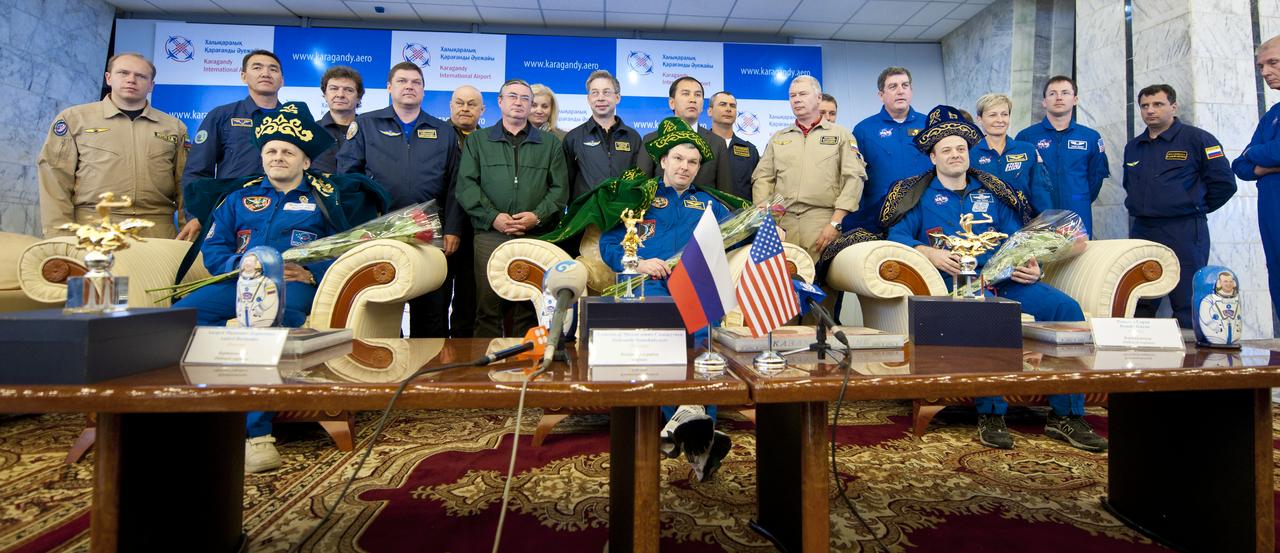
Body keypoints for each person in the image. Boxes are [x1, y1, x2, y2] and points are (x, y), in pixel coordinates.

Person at [175, 101, 390, 473]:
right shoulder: (237, 199)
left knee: (262, 327)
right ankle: (197, 416)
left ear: (305, 161)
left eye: (288, 151)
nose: (278, 157)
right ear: (261, 158)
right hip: (237, 284)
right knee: (179, 319)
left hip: (292, 288)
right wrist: (238, 266)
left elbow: (344, 251)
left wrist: (311, 273)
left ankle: (257, 437)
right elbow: (214, 248)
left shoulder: (326, 200)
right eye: (271, 151)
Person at [883, 105, 1106, 453]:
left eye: (960, 149)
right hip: (959, 285)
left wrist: (1033, 266)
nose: (955, 155)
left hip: (1006, 277)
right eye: (946, 150)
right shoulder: (917, 195)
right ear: (933, 157)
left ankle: (1067, 415)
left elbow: (1019, 239)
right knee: (988, 313)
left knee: (1066, 307)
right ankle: (991, 413)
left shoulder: (994, 191)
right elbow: (896, 239)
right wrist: (931, 254)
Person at [599, 117, 735, 481]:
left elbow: (738, 230)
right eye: (678, 159)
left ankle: (690, 428)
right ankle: (693, 429)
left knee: (707, 337)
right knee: (663, 334)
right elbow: (608, 245)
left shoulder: (708, 204)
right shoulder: (640, 197)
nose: (684, 168)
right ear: (663, 161)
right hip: (650, 286)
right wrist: (639, 261)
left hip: (695, 288)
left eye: (692, 163)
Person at [336, 62, 461, 338]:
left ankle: (428, 375)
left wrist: (453, 228)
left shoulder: (443, 132)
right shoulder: (366, 125)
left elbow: (455, 185)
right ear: (389, 87)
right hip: (379, 232)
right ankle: (381, 371)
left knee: (431, 310)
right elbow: (347, 179)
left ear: (423, 90)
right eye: (402, 81)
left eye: (416, 82)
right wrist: (361, 226)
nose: (409, 86)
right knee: (381, 306)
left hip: (429, 233)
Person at [37, 52, 197, 240]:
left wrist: (190, 235)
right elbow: (55, 179)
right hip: (94, 228)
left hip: (157, 231)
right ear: (108, 78)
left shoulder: (174, 127)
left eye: (141, 76)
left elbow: (185, 184)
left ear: (151, 85)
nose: (131, 80)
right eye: (123, 73)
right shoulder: (75, 119)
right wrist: (59, 236)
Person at [455, 79, 569, 338]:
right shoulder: (479, 141)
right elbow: (466, 186)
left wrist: (537, 216)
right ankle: (486, 371)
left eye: (524, 98)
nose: (518, 102)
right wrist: (493, 217)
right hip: (489, 235)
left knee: (527, 307)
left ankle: (524, 365)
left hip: (534, 234)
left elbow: (560, 190)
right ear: (500, 101)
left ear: (531, 105)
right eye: (512, 97)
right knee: (487, 306)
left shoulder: (550, 144)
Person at [1124, 84, 1235, 329]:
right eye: (1145, 106)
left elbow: (1224, 184)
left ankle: (1191, 362)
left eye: (1158, 104)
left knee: (1187, 298)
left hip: (1184, 229)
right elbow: (1129, 185)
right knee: (1139, 297)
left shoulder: (1197, 139)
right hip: (1143, 231)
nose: (1150, 111)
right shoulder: (1134, 146)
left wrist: (1193, 206)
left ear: (1173, 107)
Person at [751, 75, 866, 261]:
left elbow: (854, 178)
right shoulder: (778, 138)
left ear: (818, 98)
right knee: (784, 285)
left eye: (802, 94)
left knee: (822, 285)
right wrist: (769, 221)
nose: (796, 99)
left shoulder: (841, 135)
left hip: (822, 222)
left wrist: (836, 223)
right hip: (783, 223)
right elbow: (762, 178)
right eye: (792, 95)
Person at [838, 67, 932, 242]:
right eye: (893, 86)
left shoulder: (929, 125)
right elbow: (856, 177)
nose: (900, 91)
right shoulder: (864, 130)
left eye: (905, 85)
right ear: (881, 95)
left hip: (925, 213)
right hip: (881, 217)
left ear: (911, 90)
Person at [1014, 75, 1110, 236]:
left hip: (1078, 213)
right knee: (1042, 261)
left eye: (1065, 93)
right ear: (1044, 102)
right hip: (1039, 217)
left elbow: (1095, 178)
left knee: (1079, 260)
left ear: (1075, 99)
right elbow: (1020, 179)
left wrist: (1078, 196)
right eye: (1052, 94)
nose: (1058, 97)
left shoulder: (1091, 137)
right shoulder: (1026, 137)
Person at [182, 50, 284, 194]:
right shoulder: (221, 116)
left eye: (273, 69)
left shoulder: (295, 119)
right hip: (232, 210)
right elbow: (197, 172)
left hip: (283, 210)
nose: (265, 73)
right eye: (257, 68)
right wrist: (194, 214)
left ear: (282, 80)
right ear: (243, 76)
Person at [1235, 35, 1280, 328]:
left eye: (1272, 62)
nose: (1264, 72)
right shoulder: (1273, 115)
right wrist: (1264, 164)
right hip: (1272, 216)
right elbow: (1241, 165)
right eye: (1261, 66)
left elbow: (1273, 151)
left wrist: (1257, 155)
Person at [637, 76, 733, 193]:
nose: (692, 99)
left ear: (702, 105)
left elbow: (725, 193)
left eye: (697, 95)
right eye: (686, 94)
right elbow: (641, 189)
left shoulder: (717, 143)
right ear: (672, 103)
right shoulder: (652, 140)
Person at [443, 85, 486, 338]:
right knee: (437, 298)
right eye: (459, 103)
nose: (465, 108)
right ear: (450, 106)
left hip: (479, 230)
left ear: (482, 109)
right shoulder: (438, 134)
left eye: (472, 104)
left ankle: (464, 359)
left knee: (469, 300)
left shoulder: (490, 139)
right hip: (445, 227)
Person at [563, 70, 643, 200]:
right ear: (588, 99)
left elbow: (639, 181)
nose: (600, 98)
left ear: (617, 98)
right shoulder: (573, 138)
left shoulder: (633, 137)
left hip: (623, 215)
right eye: (595, 93)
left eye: (606, 92)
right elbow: (565, 185)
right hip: (586, 216)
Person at [971, 93, 1054, 214]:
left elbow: (1040, 192)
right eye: (992, 115)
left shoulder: (1027, 150)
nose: (1000, 120)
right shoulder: (970, 155)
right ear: (979, 119)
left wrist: (1046, 224)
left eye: (1004, 114)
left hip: (1021, 227)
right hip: (984, 227)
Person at [707, 90, 760, 200]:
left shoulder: (750, 150)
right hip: (705, 213)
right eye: (722, 104)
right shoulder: (698, 145)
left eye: (732, 106)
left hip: (740, 214)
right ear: (710, 111)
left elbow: (758, 186)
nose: (728, 109)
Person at [311, 66, 364, 174]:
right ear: (325, 95)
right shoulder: (312, 131)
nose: (340, 95)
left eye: (348, 90)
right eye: (334, 88)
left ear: (358, 97)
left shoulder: (369, 131)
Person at [1198, 271, 1242, 345]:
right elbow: (1204, 315)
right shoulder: (1209, 300)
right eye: (1225, 281)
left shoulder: (1236, 299)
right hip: (1215, 335)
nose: (1229, 284)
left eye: (1231, 281)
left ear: (1234, 283)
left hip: (1234, 337)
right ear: (1219, 283)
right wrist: (1214, 325)